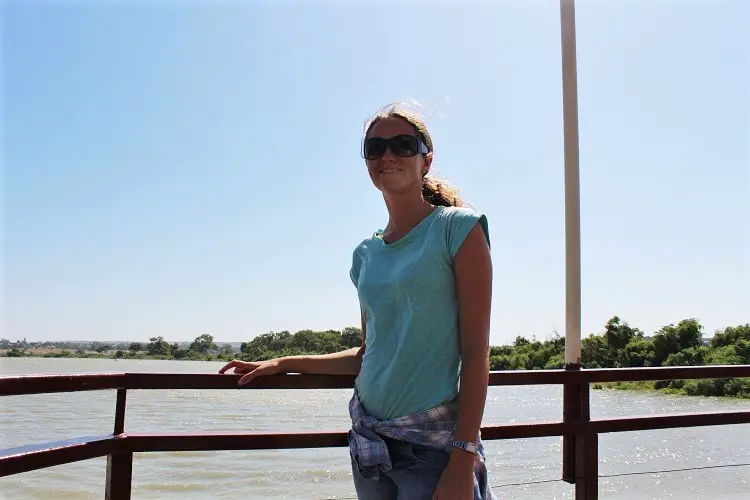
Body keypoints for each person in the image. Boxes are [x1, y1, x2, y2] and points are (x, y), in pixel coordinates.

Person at [220, 102, 495, 500]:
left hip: (432, 446)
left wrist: (463, 458)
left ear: (426, 160)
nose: (387, 156)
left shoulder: (459, 229)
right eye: (374, 148)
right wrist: (283, 363)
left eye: (403, 145)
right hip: (369, 442)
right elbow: (370, 353)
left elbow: (474, 353)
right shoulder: (365, 254)